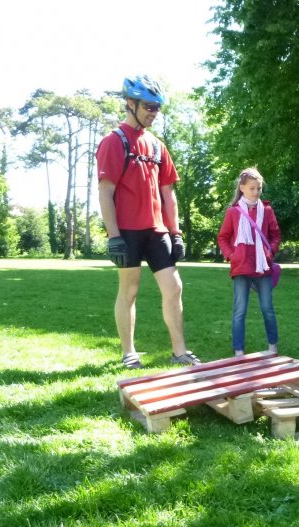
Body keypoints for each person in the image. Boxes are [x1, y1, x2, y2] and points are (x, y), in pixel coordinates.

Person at [96, 74, 199, 369]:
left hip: (157, 231)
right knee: (129, 291)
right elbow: (106, 192)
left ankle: (179, 351)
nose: (154, 112)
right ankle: (129, 352)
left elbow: (169, 195)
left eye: (157, 107)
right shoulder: (113, 142)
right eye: (149, 106)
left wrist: (176, 232)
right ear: (130, 104)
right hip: (127, 231)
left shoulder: (156, 146)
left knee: (174, 287)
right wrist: (113, 236)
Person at [217, 168, 282, 357]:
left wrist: (270, 251)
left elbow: (276, 235)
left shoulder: (267, 211)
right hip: (241, 267)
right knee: (239, 310)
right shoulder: (233, 212)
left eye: (259, 188)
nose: (256, 192)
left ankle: (273, 346)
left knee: (267, 309)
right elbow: (223, 237)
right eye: (252, 188)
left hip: (263, 268)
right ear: (242, 187)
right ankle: (239, 350)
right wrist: (232, 255)